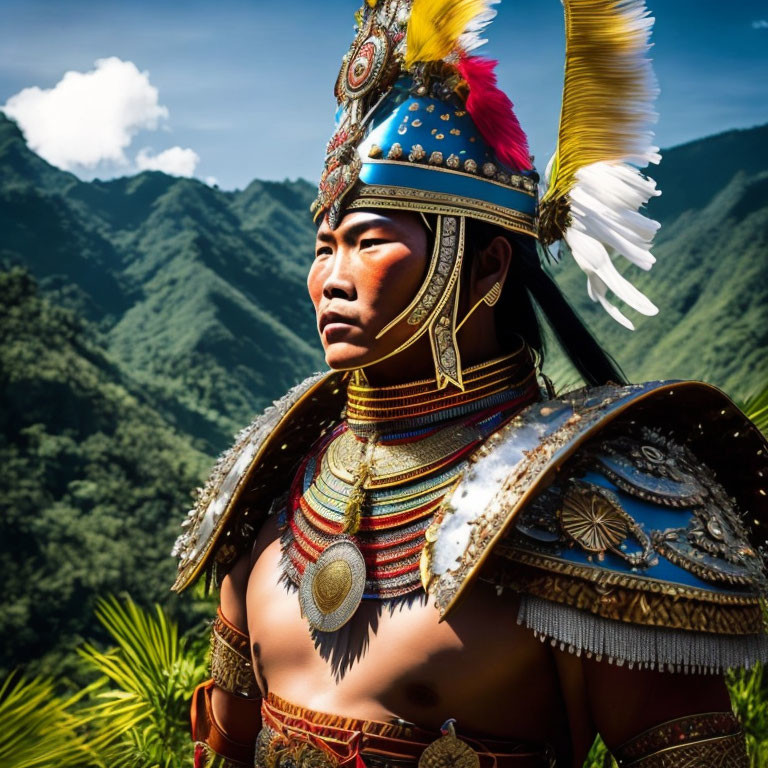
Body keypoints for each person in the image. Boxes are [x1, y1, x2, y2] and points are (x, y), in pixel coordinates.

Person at [172, 1, 768, 766]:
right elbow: (225, 745)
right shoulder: (279, 469)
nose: (332, 279)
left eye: (369, 242)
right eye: (325, 247)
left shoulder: (599, 502)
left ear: (485, 267)